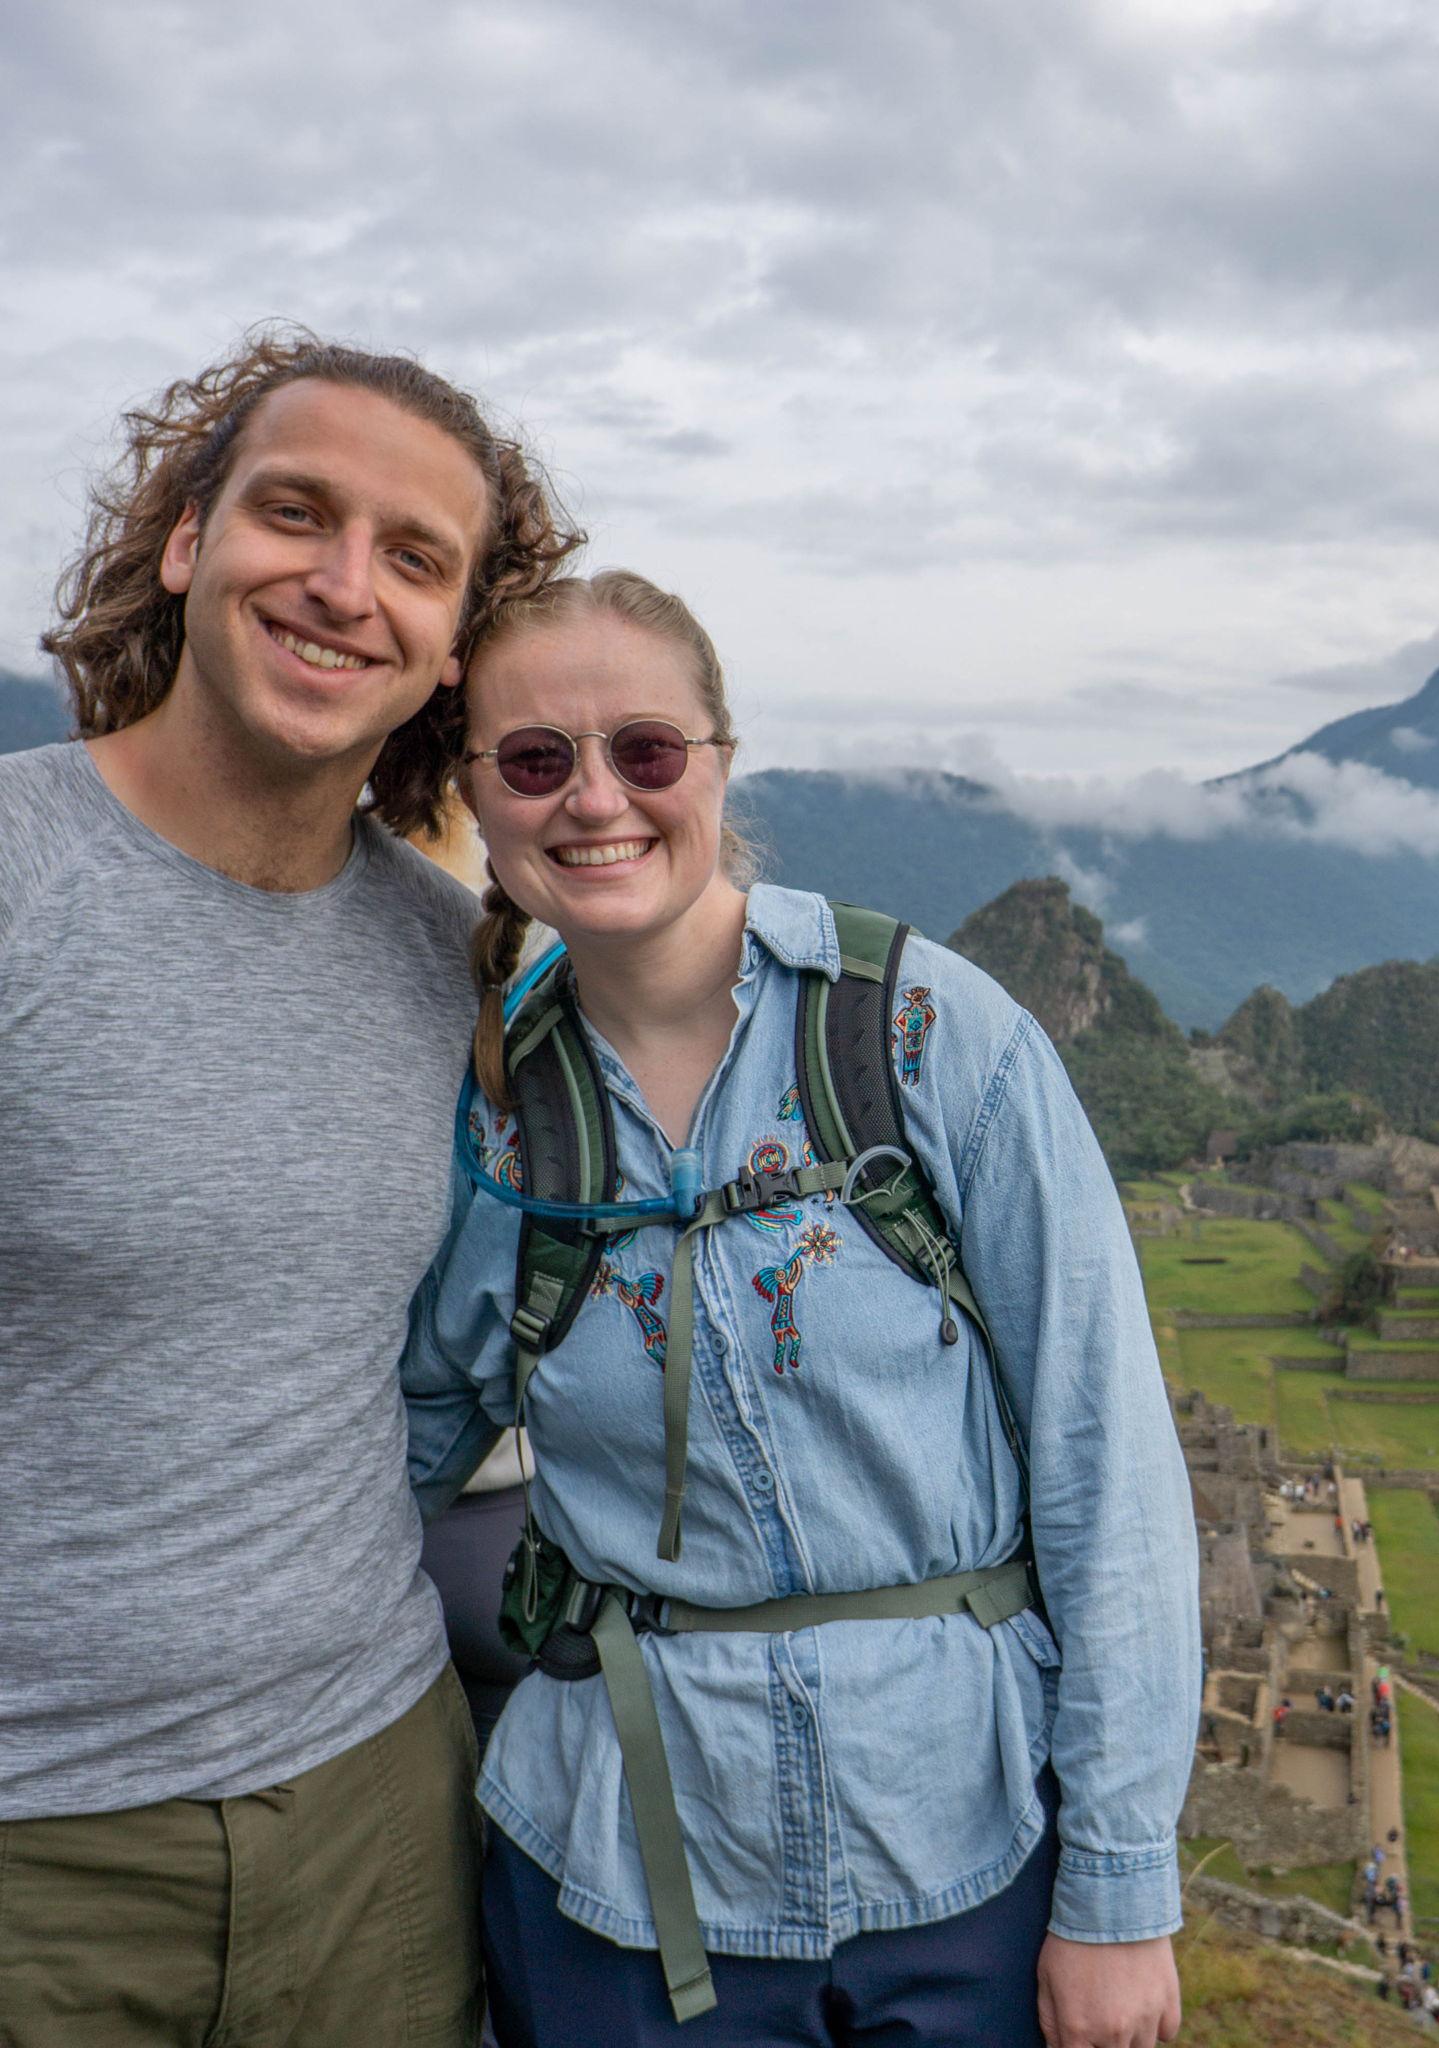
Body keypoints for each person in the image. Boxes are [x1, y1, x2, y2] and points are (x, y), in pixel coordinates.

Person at [403, 571, 1201, 2047]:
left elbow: (1108, 1458)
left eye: (646, 751)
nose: (596, 800)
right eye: (534, 760)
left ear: (717, 760)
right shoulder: (494, 1115)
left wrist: (1119, 1889)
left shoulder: (923, 1033)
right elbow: (407, 1429)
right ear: (480, 797)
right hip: (622, 1882)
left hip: (959, 1850)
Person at [0, 328, 580, 2045]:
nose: (343, 587)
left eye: (413, 559)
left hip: (375, 1809)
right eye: (294, 515)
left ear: (456, 645)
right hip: (40, 1848)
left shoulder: (444, 957)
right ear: (187, 540)